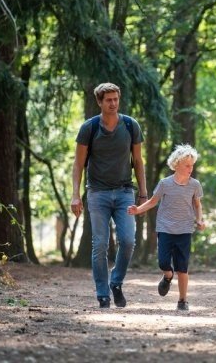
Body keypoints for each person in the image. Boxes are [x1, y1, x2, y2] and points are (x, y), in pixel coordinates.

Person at [71, 82, 147, 308]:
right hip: (97, 193)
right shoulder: (89, 127)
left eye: (116, 99)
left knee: (128, 240)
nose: (113, 103)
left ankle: (116, 282)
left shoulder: (130, 125)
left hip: (125, 192)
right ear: (99, 102)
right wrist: (75, 195)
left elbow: (138, 161)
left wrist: (143, 193)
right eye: (108, 100)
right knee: (100, 245)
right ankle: (102, 294)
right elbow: (78, 164)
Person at [127, 144, 205, 311]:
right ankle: (168, 276)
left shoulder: (195, 185)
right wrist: (138, 209)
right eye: (187, 165)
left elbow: (197, 205)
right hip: (165, 228)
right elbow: (153, 201)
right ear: (176, 165)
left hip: (184, 230)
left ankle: (182, 300)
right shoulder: (165, 183)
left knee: (182, 268)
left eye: (192, 165)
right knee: (163, 262)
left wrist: (199, 220)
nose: (191, 169)